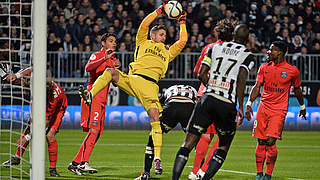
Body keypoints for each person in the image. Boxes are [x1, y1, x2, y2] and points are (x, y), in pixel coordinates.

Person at [79, 4, 188, 175]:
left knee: (155, 120)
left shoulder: (167, 52)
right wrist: (159, 10)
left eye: (165, 35)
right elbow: (144, 24)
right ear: (153, 35)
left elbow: (182, 42)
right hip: (134, 79)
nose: (164, 37)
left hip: (151, 87)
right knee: (111, 72)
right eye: (161, 34)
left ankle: (157, 159)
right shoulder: (143, 41)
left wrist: (182, 22)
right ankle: (90, 95)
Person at [172, 24, 255, 179]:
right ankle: (205, 177)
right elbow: (241, 78)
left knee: (188, 143)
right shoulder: (247, 55)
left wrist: (212, 86)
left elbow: (201, 73)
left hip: (207, 98)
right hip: (226, 103)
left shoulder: (214, 48)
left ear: (233, 35)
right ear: (247, 39)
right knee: (223, 145)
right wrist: (241, 106)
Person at [245, 41, 307, 180]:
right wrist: (249, 103)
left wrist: (302, 107)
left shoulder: (292, 71)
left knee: (270, 141)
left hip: (279, 110)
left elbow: (297, 89)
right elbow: (257, 86)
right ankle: (259, 173)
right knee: (260, 142)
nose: (268, 52)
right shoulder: (264, 67)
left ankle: (268, 174)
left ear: (279, 52)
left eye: (271, 50)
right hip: (263, 107)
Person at [189, 19, 236, 179]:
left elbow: (198, 70)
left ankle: (194, 172)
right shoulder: (236, 51)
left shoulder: (208, 48)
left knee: (205, 135)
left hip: (204, 94)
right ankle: (204, 171)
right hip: (224, 96)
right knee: (224, 136)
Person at [68, 33, 120, 175]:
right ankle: (84, 163)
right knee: (94, 130)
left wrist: (117, 72)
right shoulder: (97, 55)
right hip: (92, 97)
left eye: (115, 41)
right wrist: (104, 58)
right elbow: (88, 68)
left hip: (103, 100)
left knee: (96, 133)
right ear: (103, 43)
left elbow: (114, 83)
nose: (114, 43)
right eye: (110, 41)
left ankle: (75, 163)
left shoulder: (113, 59)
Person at [2, 79, 68, 177]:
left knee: (50, 135)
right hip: (44, 102)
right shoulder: (41, 80)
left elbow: (44, 124)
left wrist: (27, 137)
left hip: (59, 109)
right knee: (30, 126)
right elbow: (29, 71)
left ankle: (52, 169)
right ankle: (17, 157)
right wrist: (17, 76)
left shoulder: (52, 100)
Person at [135, 84, 198, 180]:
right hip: (188, 107)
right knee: (196, 141)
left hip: (171, 106)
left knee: (153, 136)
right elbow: (198, 105)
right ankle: (200, 173)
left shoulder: (170, 89)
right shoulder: (193, 90)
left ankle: (147, 172)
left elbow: (158, 105)